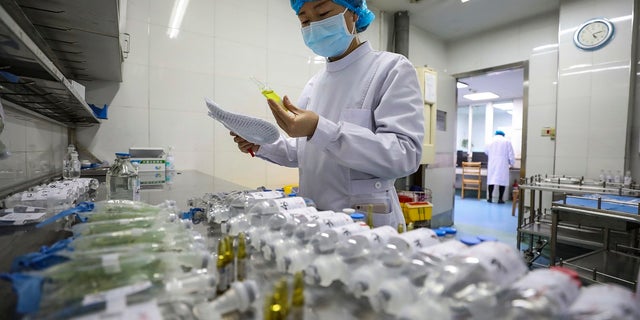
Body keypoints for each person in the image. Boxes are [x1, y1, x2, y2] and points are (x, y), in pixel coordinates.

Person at [230, 0, 424, 228]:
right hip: (314, 220)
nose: (315, 25)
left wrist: (319, 129)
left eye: (323, 12)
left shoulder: (391, 69)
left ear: (353, 13)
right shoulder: (315, 84)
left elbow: (405, 154)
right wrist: (260, 145)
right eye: (305, 20)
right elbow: (304, 153)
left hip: (366, 223)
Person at [485, 130, 515, 203]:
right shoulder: (507, 141)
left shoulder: (490, 141)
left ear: (495, 134)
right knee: (502, 181)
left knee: (491, 181)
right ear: (503, 135)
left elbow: (485, 151)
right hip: (503, 164)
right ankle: (500, 199)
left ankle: (490, 198)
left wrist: (492, 155)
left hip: (492, 163)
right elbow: (511, 154)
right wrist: (512, 163)